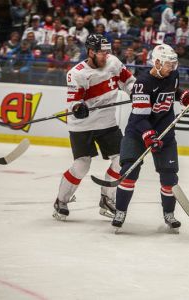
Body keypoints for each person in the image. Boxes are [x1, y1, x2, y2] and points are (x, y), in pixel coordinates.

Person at [112, 44, 189, 231]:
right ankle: (119, 212)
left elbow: (173, 92)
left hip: (165, 132)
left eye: (173, 63)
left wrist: (184, 96)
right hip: (138, 132)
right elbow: (139, 118)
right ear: (157, 62)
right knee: (129, 172)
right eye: (169, 64)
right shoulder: (143, 83)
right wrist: (149, 135)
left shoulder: (173, 76)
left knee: (169, 176)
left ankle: (169, 215)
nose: (172, 67)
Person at [52, 34, 136, 221]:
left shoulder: (113, 63)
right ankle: (61, 201)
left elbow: (129, 82)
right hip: (82, 126)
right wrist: (78, 108)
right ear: (90, 52)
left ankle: (107, 199)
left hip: (107, 123)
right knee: (82, 165)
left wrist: (136, 94)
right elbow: (74, 103)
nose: (105, 55)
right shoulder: (77, 73)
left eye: (107, 51)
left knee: (121, 160)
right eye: (101, 52)